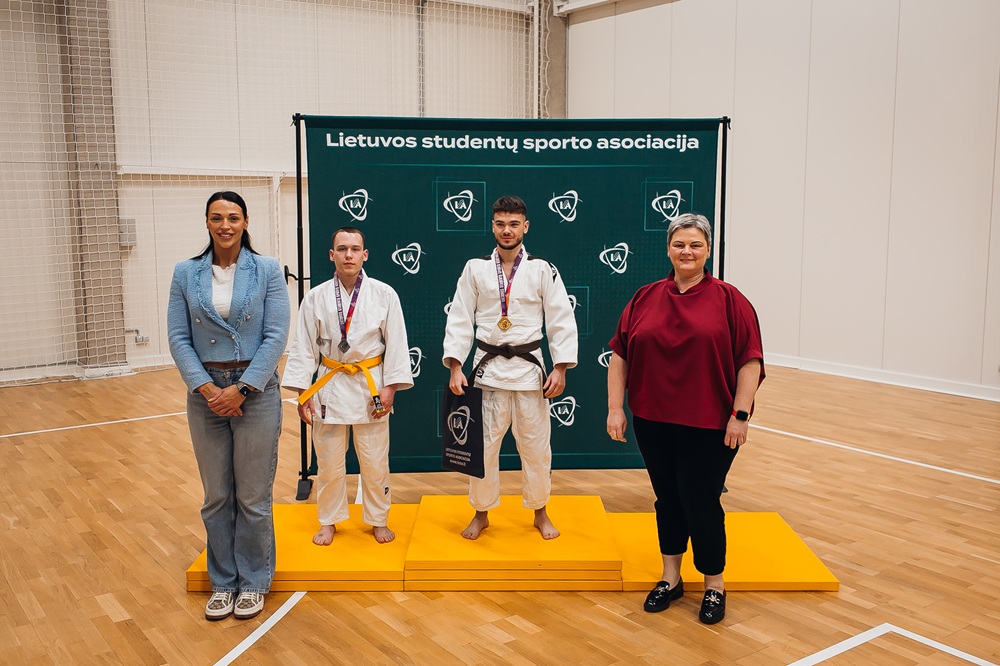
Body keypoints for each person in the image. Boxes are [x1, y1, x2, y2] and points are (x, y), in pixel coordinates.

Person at [606, 212, 764, 625]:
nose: (687, 251)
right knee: (667, 498)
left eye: (695, 244)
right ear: (668, 249)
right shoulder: (645, 297)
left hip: (710, 423)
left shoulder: (731, 300)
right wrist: (615, 407)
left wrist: (740, 415)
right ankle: (670, 578)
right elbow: (620, 355)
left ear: (708, 250)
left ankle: (714, 585)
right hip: (654, 420)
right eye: (679, 244)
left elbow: (750, 361)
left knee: (700, 500)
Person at [167, 191, 290, 622]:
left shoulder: (267, 269)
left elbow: (276, 336)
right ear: (206, 222)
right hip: (205, 395)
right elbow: (178, 337)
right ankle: (223, 582)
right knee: (217, 495)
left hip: (255, 391)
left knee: (253, 495)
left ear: (245, 222)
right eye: (217, 218)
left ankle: (253, 581)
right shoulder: (186, 273)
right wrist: (207, 389)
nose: (225, 225)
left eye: (233, 218)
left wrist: (241, 389)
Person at [443, 195, 578, 540]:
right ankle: (481, 513)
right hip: (487, 372)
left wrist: (560, 367)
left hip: (530, 373)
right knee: (483, 448)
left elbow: (561, 318)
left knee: (536, 448)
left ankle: (540, 511)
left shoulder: (542, 269)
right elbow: (460, 317)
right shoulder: (475, 268)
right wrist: (456, 366)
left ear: (525, 227)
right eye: (501, 223)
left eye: (514, 224)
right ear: (492, 226)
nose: (507, 230)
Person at [282, 227, 412, 547]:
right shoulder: (316, 297)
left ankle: (378, 519)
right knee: (328, 462)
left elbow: (397, 343)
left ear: (364, 255)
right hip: (330, 382)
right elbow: (303, 347)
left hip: (371, 385)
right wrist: (302, 393)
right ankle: (329, 520)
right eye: (342, 249)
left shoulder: (384, 294)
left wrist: (390, 389)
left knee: (375, 461)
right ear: (332, 255)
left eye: (355, 249)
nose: (348, 255)